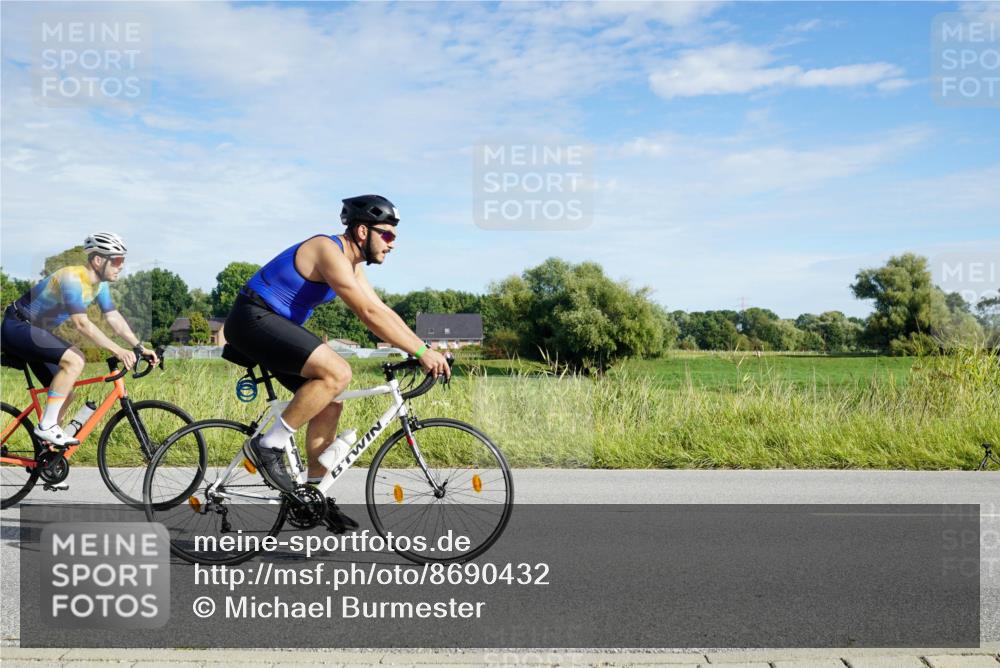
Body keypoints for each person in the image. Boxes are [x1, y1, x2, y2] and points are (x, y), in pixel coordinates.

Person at [224, 194, 451, 530]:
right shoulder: (327, 250)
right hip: (252, 318)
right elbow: (368, 313)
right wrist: (420, 353)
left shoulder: (353, 266)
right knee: (337, 372)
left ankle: (311, 497)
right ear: (363, 231)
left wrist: (422, 347)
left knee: (329, 406)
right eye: (387, 235)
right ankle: (268, 444)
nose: (392, 244)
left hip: (273, 324)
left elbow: (382, 309)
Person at [1, 232, 159, 448]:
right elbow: (81, 323)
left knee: (65, 395)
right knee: (75, 359)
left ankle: (48, 461)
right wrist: (118, 351)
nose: (121, 266)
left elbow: (113, 317)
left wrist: (139, 346)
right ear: (98, 260)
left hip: (36, 333)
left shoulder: (99, 286)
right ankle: (47, 426)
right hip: (18, 326)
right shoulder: (72, 278)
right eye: (117, 260)